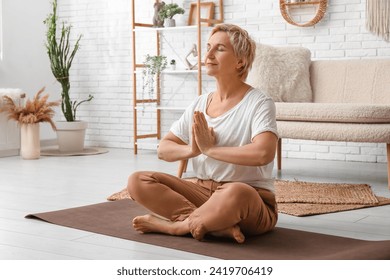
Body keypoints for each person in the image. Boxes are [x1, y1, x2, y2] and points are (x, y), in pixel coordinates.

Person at [127, 23, 278, 243]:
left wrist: (210, 149)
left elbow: (263, 154)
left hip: (249, 199)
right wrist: (192, 149)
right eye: (208, 47)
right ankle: (212, 225)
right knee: (137, 180)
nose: (207, 55)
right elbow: (164, 149)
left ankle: (176, 228)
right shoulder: (200, 102)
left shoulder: (259, 102)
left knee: (237, 192)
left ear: (240, 61)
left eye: (219, 49)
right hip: (202, 194)